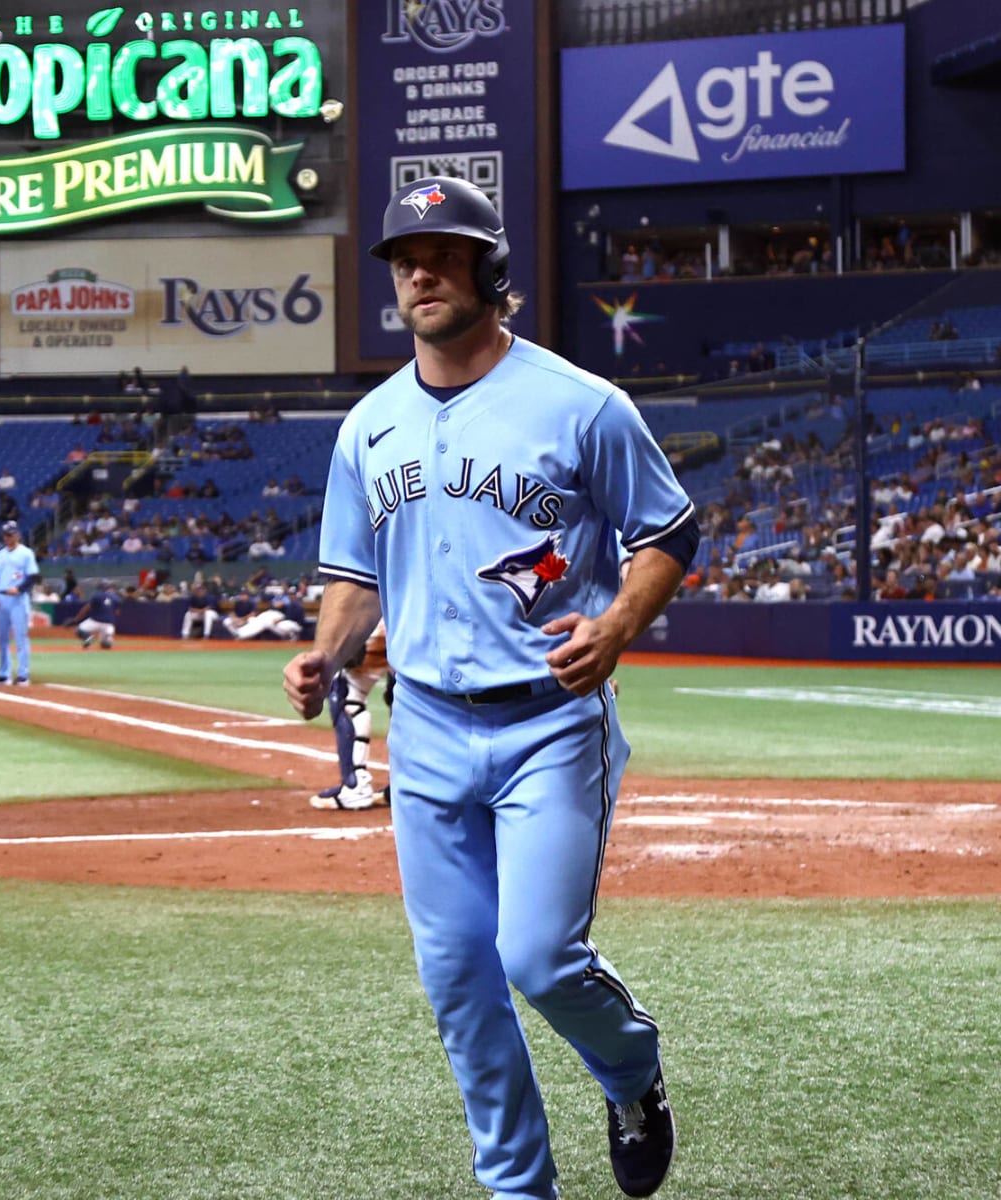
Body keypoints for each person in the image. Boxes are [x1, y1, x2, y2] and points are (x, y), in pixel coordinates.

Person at [283, 177, 697, 1200]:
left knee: (539, 957)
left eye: (443, 252)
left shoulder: (581, 404)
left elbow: (668, 533)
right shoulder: (366, 426)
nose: (419, 270)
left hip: (549, 723)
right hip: (423, 730)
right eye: (403, 258)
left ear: (491, 269)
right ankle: (519, 1190)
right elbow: (351, 578)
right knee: (460, 983)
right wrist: (327, 652)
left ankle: (630, 1073)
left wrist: (613, 625)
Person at [309, 621, 394, 811]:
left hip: (383, 619)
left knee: (346, 694)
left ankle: (355, 786)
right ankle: (410, 785)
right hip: (421, 624)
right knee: (407, 697)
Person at [0, 520, 40, 685]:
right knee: (2, 638)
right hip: (2, 598)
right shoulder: (0, 555)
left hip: (18, 599)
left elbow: (33, 577)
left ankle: (23, 674)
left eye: (11, 534)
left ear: (17, 534)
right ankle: (4, 673)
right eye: (5, 535)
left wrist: (19, 589)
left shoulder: (26, 553)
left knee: (20, 637)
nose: (8, 538)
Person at [75, 579, 121, 649]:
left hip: (95, 621)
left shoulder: (96, 595)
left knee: (79, 629)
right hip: (108, 624)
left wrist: (76, 619)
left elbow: (86, 608)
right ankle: (108, 637)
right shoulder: (115, 597)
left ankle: (88, 637)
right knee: (105, 645)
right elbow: (117, 613)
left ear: (99, 587)